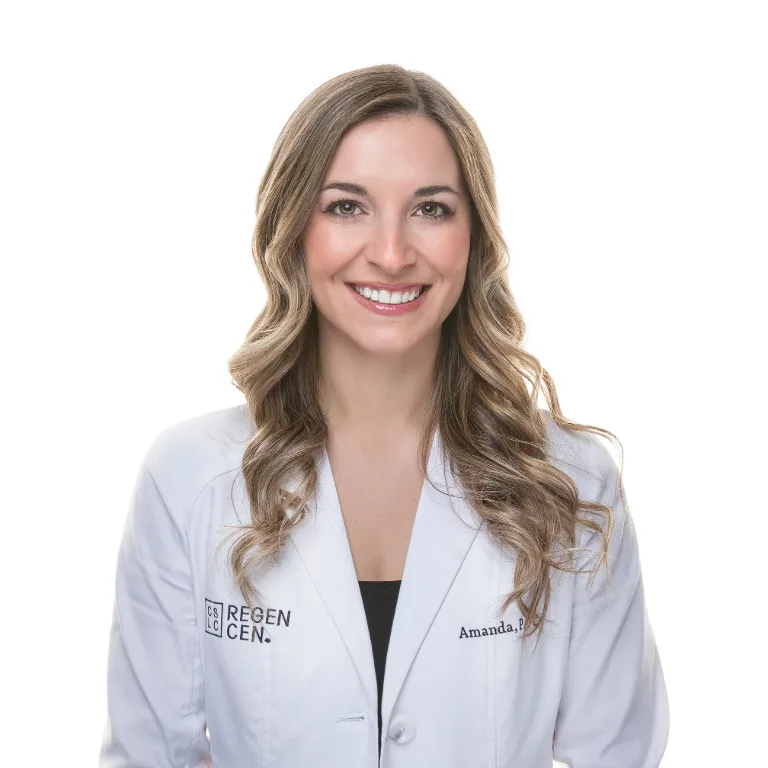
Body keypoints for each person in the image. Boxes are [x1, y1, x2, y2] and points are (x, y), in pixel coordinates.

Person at [98, 64, 669, 767]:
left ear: (475, 236)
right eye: (347, 207)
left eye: (431, 209)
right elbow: (149, 755)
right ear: (292, 228)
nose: (392, 254)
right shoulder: (188, 478)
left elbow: (616, 756)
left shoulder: (571, 482)